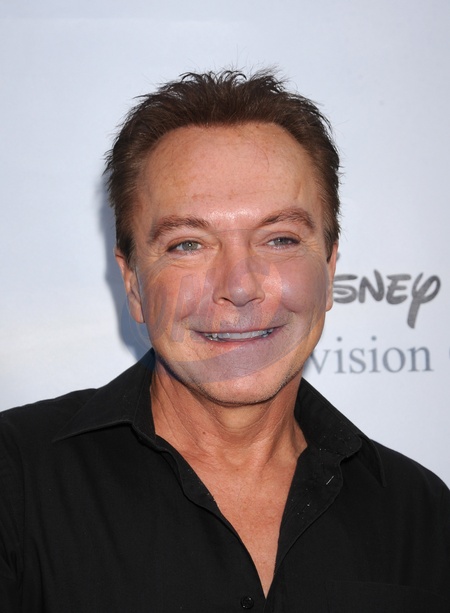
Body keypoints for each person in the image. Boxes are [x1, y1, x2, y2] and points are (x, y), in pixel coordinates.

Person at [1, 70, 449, 613]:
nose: (238, 286)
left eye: (279, 239)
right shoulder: (15, 481)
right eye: (188, 244)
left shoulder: (422, 514)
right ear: (133, 283)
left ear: (330, 270)